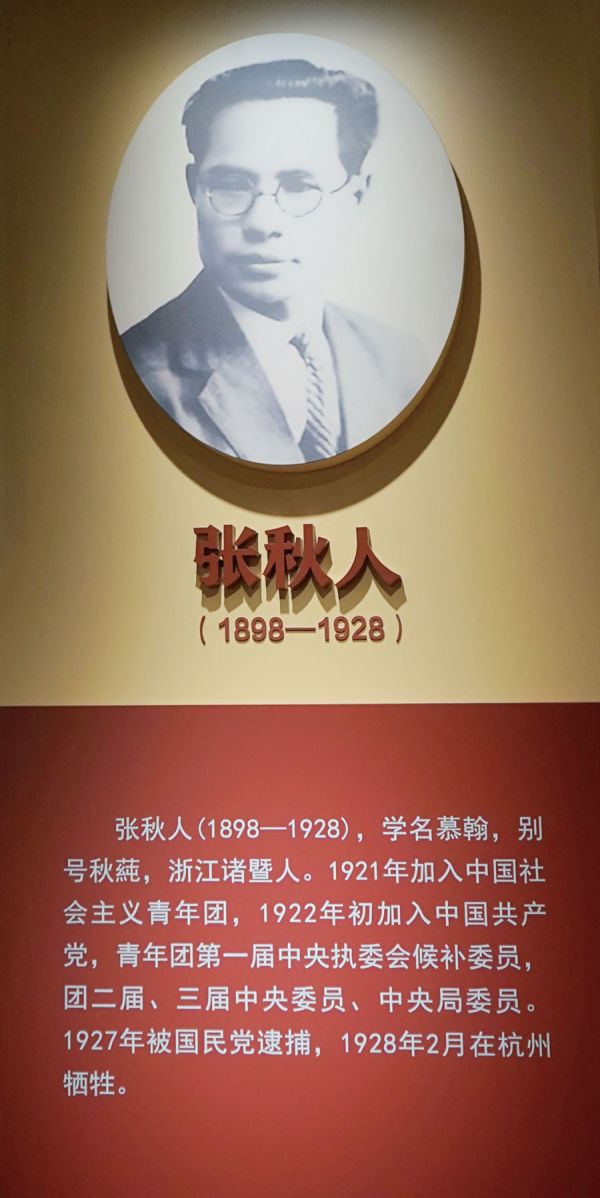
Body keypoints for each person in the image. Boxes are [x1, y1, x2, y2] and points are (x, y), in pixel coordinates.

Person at [122, 59, 425, 465]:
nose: (263, 223)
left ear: (356, 197)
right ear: (194, 189)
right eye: (231, 185)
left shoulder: (399, 359)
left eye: (299, 186)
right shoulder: (135, 374)